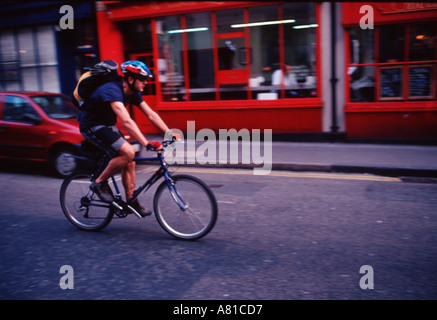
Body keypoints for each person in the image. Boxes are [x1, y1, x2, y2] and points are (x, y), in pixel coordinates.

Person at [77, 60, 178, 217]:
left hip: (106, 124)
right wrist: (146, 143)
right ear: (131, 79)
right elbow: (127, 121)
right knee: (128, 152)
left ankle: (131, 201)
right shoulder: (111, 90)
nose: (146, 82)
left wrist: (169, 132)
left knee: (130, 160)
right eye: (143, 79)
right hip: (91, 125)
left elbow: (150, 114)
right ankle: (98, 183)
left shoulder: (133, 92)